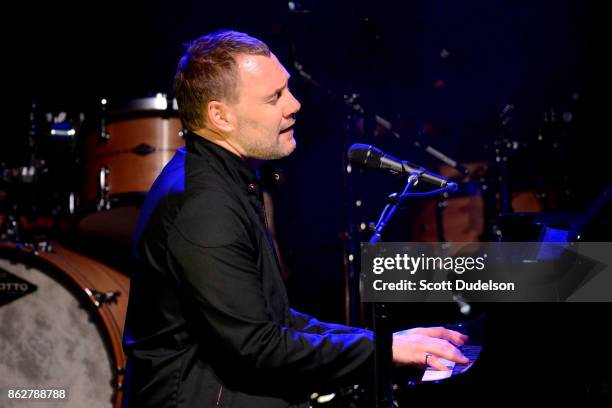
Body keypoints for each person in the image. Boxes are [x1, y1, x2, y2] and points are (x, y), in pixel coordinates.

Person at [122, 30, 469, 408]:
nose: (295, 105)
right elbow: (258, 346)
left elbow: (271, 319)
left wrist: (387, 343)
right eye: (275, 98)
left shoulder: (226, 180)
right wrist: (384, 350)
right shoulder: (204, 203)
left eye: (287, 89)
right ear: (219, 115)